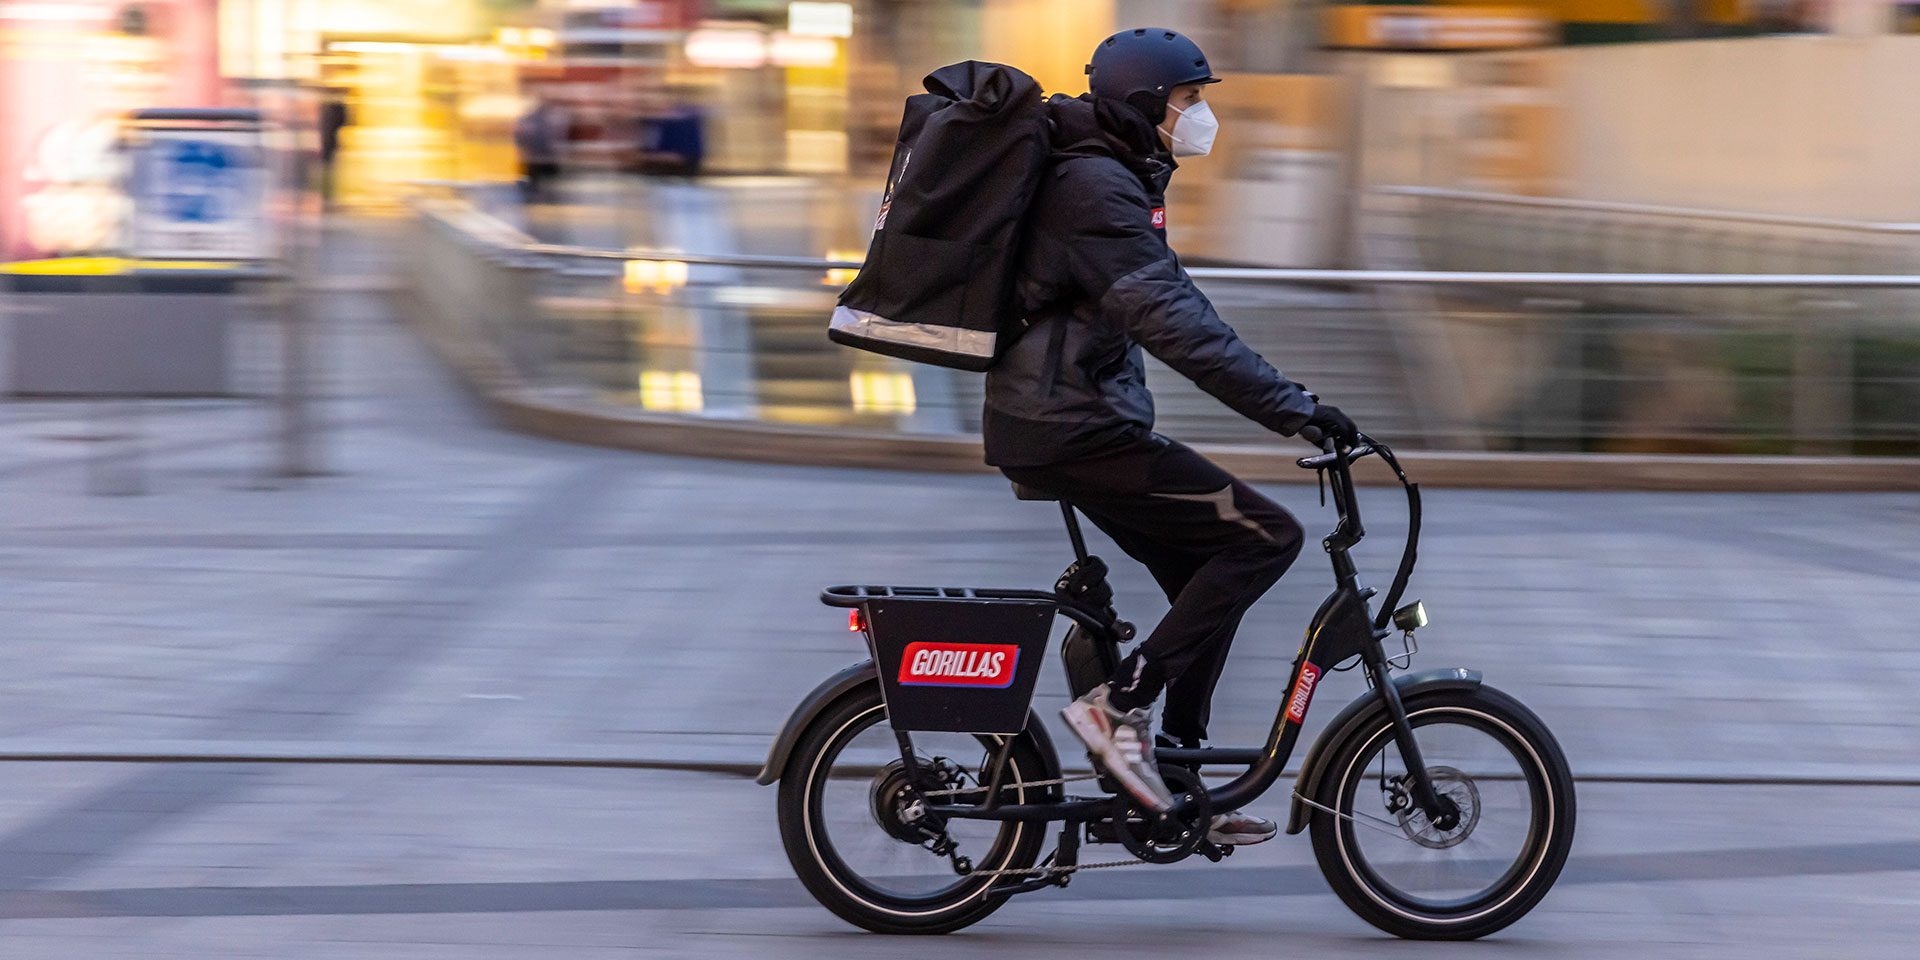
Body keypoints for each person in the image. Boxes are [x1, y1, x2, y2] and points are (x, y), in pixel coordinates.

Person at [983, 28, 1360, 845]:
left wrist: (1289, 398)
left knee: (1207, 572)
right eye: (1191, 99)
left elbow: (1178, 306)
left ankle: (1176, 785)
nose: (1201, 115)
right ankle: (1114, 710)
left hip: (1069, 420)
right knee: (1266, 535)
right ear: (1148, 104)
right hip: (1070, 426)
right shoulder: (1095, 189)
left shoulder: (1112, 175)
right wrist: (1296, 407)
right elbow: (1178, 325)